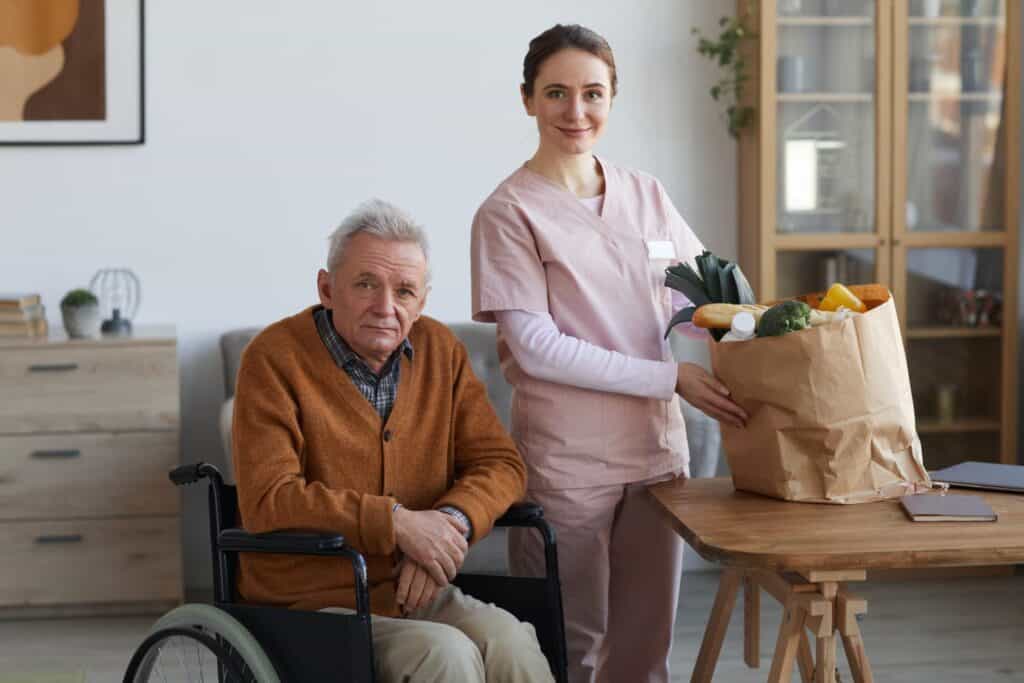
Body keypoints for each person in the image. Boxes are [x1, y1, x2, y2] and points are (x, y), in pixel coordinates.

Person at [470, 24, 748, 683]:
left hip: (655, 459)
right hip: (569, 465)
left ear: (613, 99)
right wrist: (670, 376)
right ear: (528, 99)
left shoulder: (646, 195)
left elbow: (705, 298)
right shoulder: (508, 212)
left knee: (644, 652)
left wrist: (757, 328)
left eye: (593, 93)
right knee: (571, 649)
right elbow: (536, 348)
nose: (576, 111)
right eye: (557, 93)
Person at [233, 199, 555, 683]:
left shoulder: (441, 350)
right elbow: (268, 498)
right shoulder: (273, 359)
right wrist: (399, 525)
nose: (386, 307)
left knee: (512, 642)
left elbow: (500, 463)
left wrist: (448, 526)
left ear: (421, 301)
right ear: (327, 288)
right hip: (311, 603)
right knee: (444, 655)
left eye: (404, 291)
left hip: (419, 589)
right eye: (366, 284)